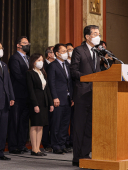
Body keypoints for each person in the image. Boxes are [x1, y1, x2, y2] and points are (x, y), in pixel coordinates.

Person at [70, 25, 101, 167]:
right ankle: (77, 158)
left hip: (95, 93)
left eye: (98, 33)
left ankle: (86, 155)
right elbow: (74, 71)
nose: (97, 36)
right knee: (79, 126)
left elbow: (99, 72)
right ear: (87, 37)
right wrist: (90, 77)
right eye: (95, 34)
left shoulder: (97, 52)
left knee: (90, 126)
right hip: (82, 93)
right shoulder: (78, 50)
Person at [47, 44, 74, 155]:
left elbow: (70, 82)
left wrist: (72, 97)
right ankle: (56, 145)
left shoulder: (67, 64)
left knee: (64, 123)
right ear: (57, 53)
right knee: (56, 123)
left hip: (67, 99)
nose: (66, 53)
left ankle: (62, 144)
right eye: (63, 51)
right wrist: (55, 97)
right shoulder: (53, 66)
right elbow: (51, 83)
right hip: (58, 98)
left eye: (66, 51)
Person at [26, 53, 54, 156]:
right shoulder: (30, 73)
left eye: (42, 60)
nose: (40, 62)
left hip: (44, 102)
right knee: (35, 125)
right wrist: (35, 104)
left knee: (41, 126)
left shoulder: (42, 73)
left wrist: (50, 103)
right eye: (38, 60)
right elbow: (31, 91)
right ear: (33, 62)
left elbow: (47, 89)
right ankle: (34, 149)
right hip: (36, 102)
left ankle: (38, 148)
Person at [8, 36, 30, 154]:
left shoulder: (29, 58)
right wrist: (30, 83)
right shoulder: (14, 58)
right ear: (18, 45)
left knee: (24, 122)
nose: (27, 45)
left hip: (27, 95)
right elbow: (18, 75)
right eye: (24, 43)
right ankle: (13, 146)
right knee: (15, 121)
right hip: (17, 94)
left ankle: (21, 144)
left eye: (28, 43)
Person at [41, 46, 55, 153]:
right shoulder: (43, 65)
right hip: (44, 96)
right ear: (49, 54)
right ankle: (45, 143)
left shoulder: (57, 65)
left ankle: (54, 142)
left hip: (54, 96)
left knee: (54, 122)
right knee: (46, 122)